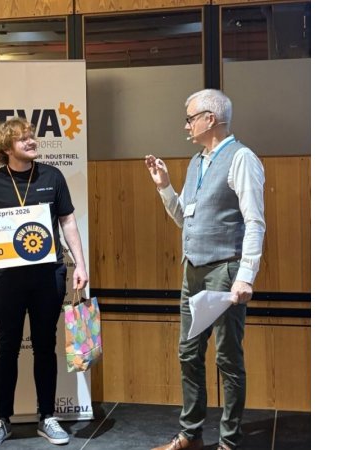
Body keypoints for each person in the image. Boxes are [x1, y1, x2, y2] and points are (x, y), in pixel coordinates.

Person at [145, 89, 265, 450]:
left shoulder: (241, 158)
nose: (186, 125)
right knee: (189, 353)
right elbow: (186, 218)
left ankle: (229, 442)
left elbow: (255, 222)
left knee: (228, 358)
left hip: (226, 271)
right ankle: (191, 435)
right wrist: (165, 187)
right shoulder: (196, 162)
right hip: (193, 271)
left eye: (190, 118)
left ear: (209, 119)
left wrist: (246, 275)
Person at [0, 117, 89, 448]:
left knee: (45, 345)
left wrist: (80, 264)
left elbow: (68, 221)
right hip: (7, 278)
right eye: (23, 139)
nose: (32, 141)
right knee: (7, 347)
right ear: (7, 147)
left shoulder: (52, 176)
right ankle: (1, 420)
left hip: (48, 275)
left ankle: (47, 417)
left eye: (32, 136)